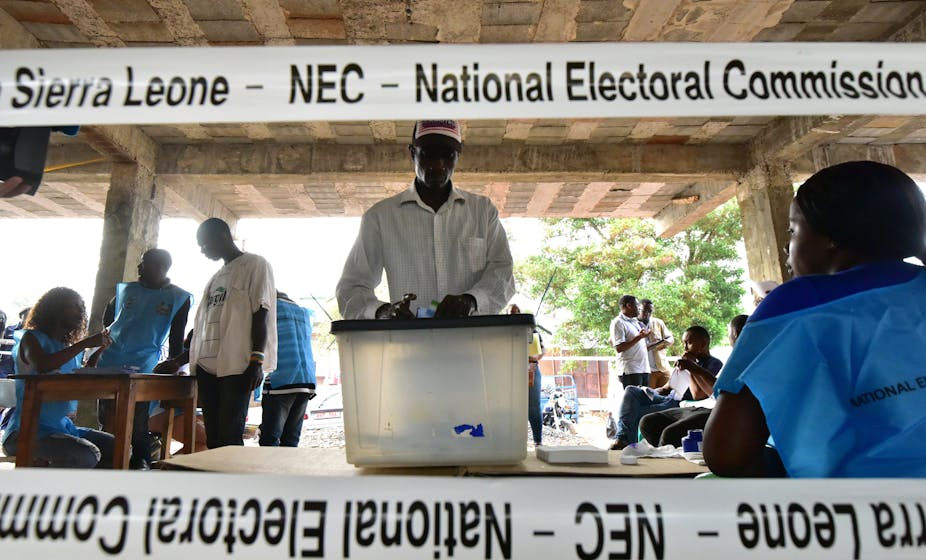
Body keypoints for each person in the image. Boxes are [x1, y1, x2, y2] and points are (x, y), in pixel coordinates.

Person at [704, 161, 926, 478]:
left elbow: (726, 454)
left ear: (830, 239)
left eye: (793, 230)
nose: (787, 246)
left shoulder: (799, 302)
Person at [336, 119, 515, 320]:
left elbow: (503, 274)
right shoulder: (380, 218)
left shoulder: (483, 212)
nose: (437, 164)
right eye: (427, 154)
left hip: (473, 345)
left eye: (447, 155)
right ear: (413, 153)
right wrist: (383, 312)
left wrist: (471, 300)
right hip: (410, 347)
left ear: (459, 154)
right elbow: (350, 288)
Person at [91, 248, 193, 469]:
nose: (139, 267)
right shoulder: (126, 291)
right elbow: (107, 322)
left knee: (137, 422)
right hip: (111, 361)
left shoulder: (178, 297)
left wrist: (175, 367)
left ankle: (140, 462)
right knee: (107, 418)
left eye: (144, 263)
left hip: (144, 365)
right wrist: (99, 352)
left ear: (160, 267)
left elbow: (177, 339)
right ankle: (107, 461)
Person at [186, 218, 277, 448]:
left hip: (236, 366)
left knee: (229, 437)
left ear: (222, 236)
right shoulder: (216, 277)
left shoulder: (255, 265)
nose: (202, 250)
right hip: (206, 368)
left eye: (204, 244)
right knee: (214, 439)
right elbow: (208, 320)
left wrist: (257, 360)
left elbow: (261, 312)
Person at [0, 288, 114, 467]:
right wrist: (85, 343)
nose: (80, 311)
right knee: (85, 455)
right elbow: (43, 365)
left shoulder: (66, 347)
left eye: (82, 307)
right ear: (55, 308)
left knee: (116, 446)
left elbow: (79, 376)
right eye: (75, 306)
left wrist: (98, 350)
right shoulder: (30, 338)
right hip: (27, 431)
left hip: (61, 427)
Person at [639, 314, 747, 447]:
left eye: (729, 333)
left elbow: (709, 395)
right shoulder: (733, 358)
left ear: (735, 334)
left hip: (725, 414)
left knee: (670, 434)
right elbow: (712, 393)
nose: (685, 347)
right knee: (648, 422)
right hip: (704, 407)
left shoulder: (737, 361)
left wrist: (694, 368)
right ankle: (663, 457)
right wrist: (692, 367)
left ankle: (669, 462)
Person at [610, 325, 723, 450]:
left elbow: (698, 394)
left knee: (633, 413)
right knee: (631, 390)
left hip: (679, 404)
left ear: (703, 344)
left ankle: (626, 443)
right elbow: (668, 387)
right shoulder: (686, 360)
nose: (685, 347)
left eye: (689, 343)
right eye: (683, 343)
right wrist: (650, 391)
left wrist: (691, 366)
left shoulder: (713, 364)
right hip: (667, 397)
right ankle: (623, 439)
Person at [259, 292, 317, 447]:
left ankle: (270, 472)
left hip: (281, 380)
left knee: (269, 439)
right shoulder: (303, 312)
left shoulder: (271, 308)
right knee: (291, 440)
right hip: (306, 381)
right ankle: (288, 470)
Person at [510, 303, 543, 446]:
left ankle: (538, 441)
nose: (514, 314)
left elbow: (541, 351)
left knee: (533, 407)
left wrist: (531, 357)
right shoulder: (502, 331)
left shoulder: (531, 330)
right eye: (511, 312)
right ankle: (515, 442)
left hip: (531, 369)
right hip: (510, 369)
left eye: (517, 312)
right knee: (510, 407)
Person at [609, 295, 651, 388]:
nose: (639, 310)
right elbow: (619, 348)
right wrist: (639, 337)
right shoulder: (618, 322)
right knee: (634, 400)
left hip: (643, 368)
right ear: (629, 306)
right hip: (631, 370)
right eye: (638, 307)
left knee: (645, 400)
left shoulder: (634, 321)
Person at [638, 299, 674, 388]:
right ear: (638, 309)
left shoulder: (658, 322)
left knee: (666, 396)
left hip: (662, 368)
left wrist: (663, 343)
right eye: (644, 311)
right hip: (645, 371)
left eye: (650, 311)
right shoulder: (632, 324)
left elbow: (670, 338)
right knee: (649, 398)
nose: (648, 314)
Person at [0, 307, 30, 378]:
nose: (27, 318)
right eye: (26, 315)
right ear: (21, 316)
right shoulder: (9, 329)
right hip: (7, 364)